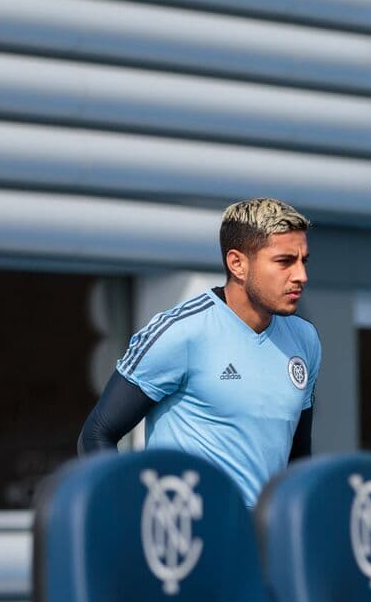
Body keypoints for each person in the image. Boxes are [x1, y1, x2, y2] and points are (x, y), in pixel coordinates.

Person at [78, 197, 319, 508]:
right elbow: (97, 433)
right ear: (237, 264)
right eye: (285, 261)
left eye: (304, 261)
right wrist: (138, 517)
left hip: (263, 545)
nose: (301, 275)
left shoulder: (305, 339)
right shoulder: (180, 332)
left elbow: (298, 456)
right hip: (188, 545)